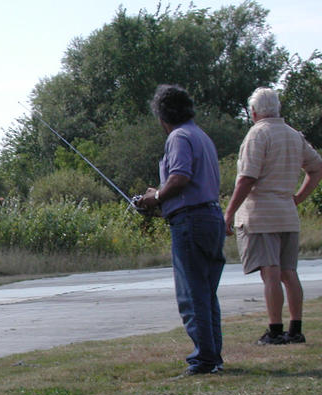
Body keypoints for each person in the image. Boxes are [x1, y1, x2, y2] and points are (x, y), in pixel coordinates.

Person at [138, 84, 225, 376]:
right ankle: (213, 357)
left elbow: (180, 178)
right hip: (212, 217)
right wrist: (160, 193)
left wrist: (156, 197)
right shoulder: (201, 135)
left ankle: (203, 360)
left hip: (191, 222)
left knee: (192, 294)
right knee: (207, 293)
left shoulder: (178, 137)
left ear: (162, 116)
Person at [224, 87, 322, 345]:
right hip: (287, 214)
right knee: (289, 272)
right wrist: (298, 197)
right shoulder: (293, 135)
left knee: (270, 273)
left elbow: (247, 178)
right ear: (277, 108)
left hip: (261, 214)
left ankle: (275, 330)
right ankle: (296, 328)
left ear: (254, 112)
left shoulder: (257, 135)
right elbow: (316, 168)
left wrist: (229, 212)